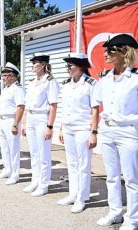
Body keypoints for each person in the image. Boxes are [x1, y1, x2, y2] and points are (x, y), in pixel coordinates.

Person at [95, 34, 138, 230]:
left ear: (123, 52)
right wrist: (95, 130)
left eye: (110, 51)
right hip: (107, 131)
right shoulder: (104, 78)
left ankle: (133, 219)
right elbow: (97, 106)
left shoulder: (135, 78)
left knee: (131, 179)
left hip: (128, 132)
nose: (105, 54)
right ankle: (115, 212)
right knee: (111, 176)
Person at [57, 53, 100, 213]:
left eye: (71, 65)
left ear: (81, 66)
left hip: (83, 128)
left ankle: (82, 198)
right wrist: (61, 128)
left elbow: (95, 110)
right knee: (72, 163)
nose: (68, 68)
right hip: (68, 128)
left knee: (83, 164)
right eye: (67, 65)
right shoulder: (66, 84)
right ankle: (73, 194)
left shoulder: (90, 84)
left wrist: (94, 132)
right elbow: (64, 108)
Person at [22, 53, 60, 196]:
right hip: (31, 117)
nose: (32, 66)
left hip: (42, 119)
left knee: (43, 154)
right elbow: (26, 105)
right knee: (34, 153)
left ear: (43, 65)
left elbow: (53, 105)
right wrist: (25, 124)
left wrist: (50, 126)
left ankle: (43, 184)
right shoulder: (32, 82)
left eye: (35, 63)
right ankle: (35, 181)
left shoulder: (50, 81)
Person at [0, 62, 25, 185]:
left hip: (11, 121)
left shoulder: (17, 89)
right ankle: (7, 169)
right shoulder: (6, 89)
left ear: (13, 76)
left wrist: (15, 124)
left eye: (6, 75)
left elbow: (20, 107)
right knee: (4, 148)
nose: (3, 78)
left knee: (13, 149)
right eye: (3, 75)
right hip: (2, 120)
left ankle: (15, 174)